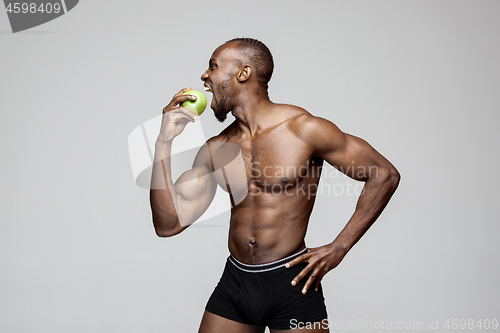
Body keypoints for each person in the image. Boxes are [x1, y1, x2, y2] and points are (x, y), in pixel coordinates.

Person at [150, 38, 400, 333]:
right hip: (236, 284)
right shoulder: (215, 149)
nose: (204, 76)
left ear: (243, 73)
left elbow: (383, 174)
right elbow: (168, 224)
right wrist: (164, 141)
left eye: (213, 67)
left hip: (292, 282)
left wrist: (339, 247)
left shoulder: (304, 129)